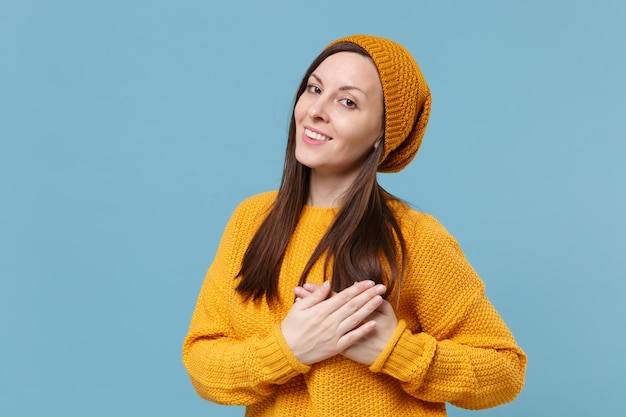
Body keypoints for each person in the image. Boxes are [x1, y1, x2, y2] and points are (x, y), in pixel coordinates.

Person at [182, 34, 527, 416]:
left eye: (347, 101)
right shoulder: (251, 220)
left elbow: (506, 372)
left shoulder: (415, 237)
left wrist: (398, 352)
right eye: (314, 88)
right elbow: (201, 363)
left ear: (383, 132)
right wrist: (287, 349)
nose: (316, 110)